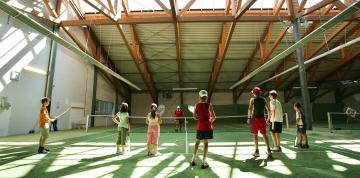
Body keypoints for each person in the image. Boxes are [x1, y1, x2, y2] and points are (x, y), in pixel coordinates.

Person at [190, 90, 216, 169]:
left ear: (199, 97)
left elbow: (194, 117)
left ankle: (193, 160)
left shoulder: (196, 105)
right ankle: (203, 162)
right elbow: (214, 116)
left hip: (200, 127)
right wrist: (210, 121)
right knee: (205, 143)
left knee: (197, 143)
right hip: (207, 127)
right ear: (206, 97)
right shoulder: (209, 105)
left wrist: (198, 117)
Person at [247, 87, 272, 158]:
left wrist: (248, 118)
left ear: (254, 93)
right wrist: (268, 119)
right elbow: (268, 110)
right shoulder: (264, 100)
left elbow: (249, 109)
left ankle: (257, 151)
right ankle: (269, 150)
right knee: (264, 134)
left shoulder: (252, 100)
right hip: (262, 119)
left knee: (255, 135)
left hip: (255, 119)